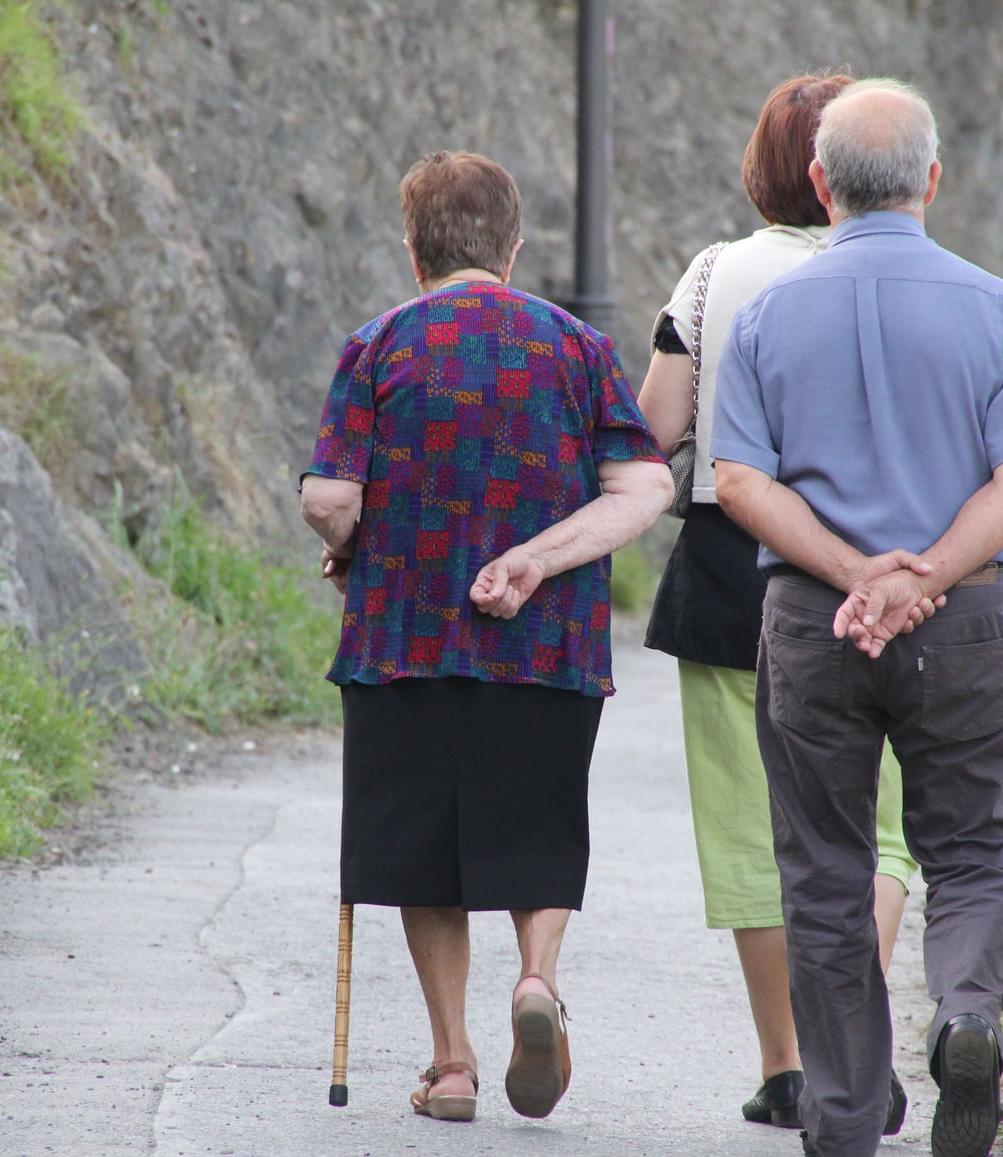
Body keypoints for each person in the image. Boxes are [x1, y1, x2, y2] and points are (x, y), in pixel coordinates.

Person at [712, 78, 1003, 1157]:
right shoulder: (993, 304)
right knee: (970, 848)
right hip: (959, 619)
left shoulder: (771, 311)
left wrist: (853, 571)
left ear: (819, 186)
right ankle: (965, 1010)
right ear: (932, 179)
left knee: (823, 864)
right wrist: (920, 577)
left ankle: (845, 1115)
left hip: (811, 626)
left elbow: (736, 477)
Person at [299, 150, 672, 1125]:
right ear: (512, 248)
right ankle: (537, 981)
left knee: (426, 850)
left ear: (414, 247)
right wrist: (541, 559)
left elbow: (331, 496)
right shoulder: (577, 348)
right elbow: (644, 485)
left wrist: (355, 545)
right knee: (536, 828)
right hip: (548, 648)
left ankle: (452, 1061)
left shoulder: (377, 343)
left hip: (405, 639)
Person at [634, 71, 922, 1136]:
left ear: (776, 165)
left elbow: (655, 430)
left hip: (727, 568)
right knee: (879, 825)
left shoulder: (713, 276)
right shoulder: (907, 274)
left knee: (754, 830)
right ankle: (862, 1043)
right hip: (883, 573)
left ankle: (789, 1065)